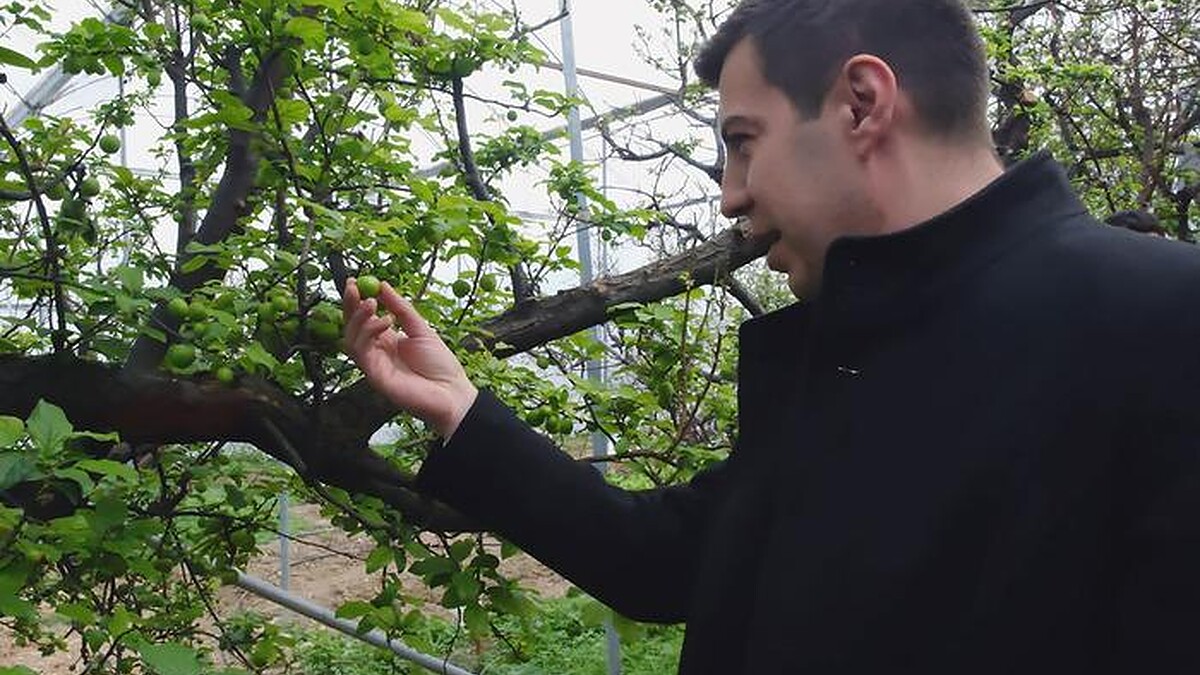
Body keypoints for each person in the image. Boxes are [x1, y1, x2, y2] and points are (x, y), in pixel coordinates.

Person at [343, 0, 1200, 671]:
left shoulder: (1164, 324)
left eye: (743, 142)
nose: (730, 194)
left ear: (862, 104)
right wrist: (460, 409)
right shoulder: (845, 348)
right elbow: (668, 560)